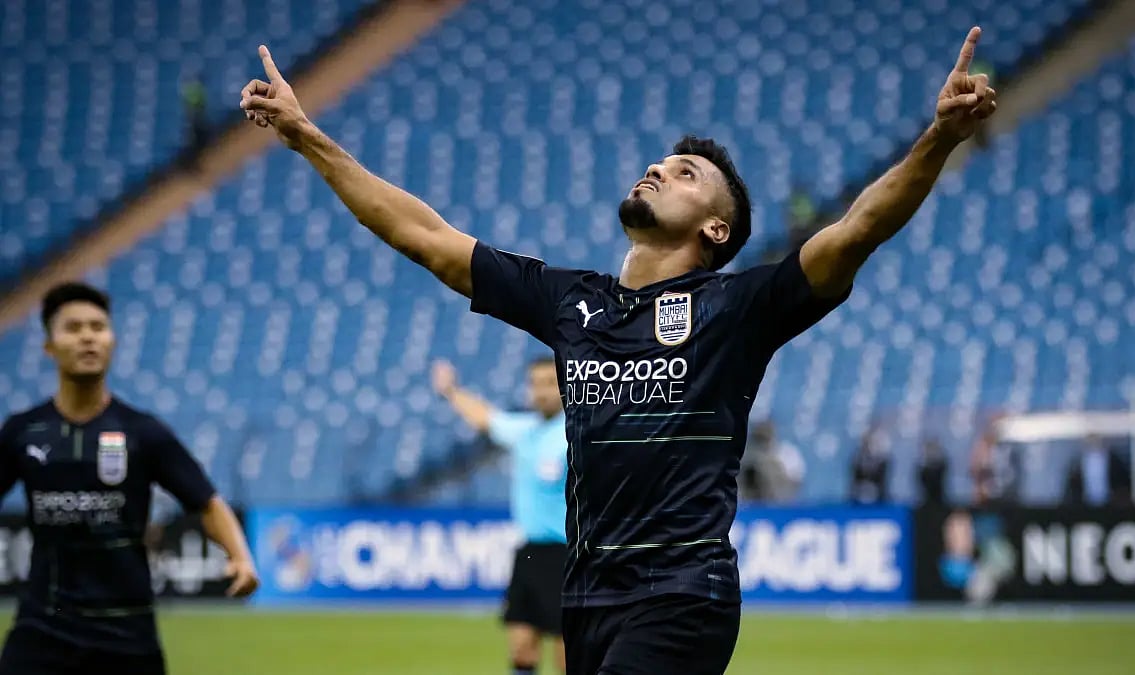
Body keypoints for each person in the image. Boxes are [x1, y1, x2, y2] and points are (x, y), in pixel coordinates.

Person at [241, 27, 996, 674]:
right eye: (663, 161)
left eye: (687, 172)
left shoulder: (737, 309)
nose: (662, 167)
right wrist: (307, 136)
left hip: (682, 592)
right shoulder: (573, 303)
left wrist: (937, 139)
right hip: (587, 594)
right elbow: (426, 237)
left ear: (717, 231)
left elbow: (856, 230)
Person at [0, 283, 259, 675]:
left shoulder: (143, 433)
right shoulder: (23, 431)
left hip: (126, 632)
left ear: (113, 341)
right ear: (49, 347)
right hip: (43, 626)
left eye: (98, 326)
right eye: (73, 328)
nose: (88, 336)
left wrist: (240, 557)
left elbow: (206, 501)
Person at [431, 357, 568, 675]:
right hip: (530, 553)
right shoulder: (526, 430)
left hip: (568, 555)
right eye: (536, 384)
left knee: (568, 655)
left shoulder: (574, 432)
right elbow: (485, 419)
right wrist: (452, 391)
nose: (543, 391)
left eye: (550, 383)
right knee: (521, 643)